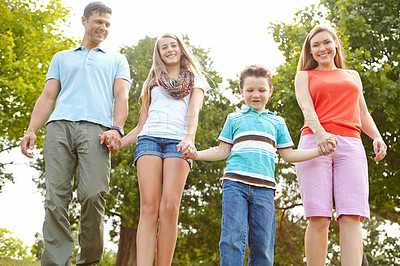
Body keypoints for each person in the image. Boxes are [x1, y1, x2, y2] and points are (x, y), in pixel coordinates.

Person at [185, 65, 336, 266]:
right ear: (241, 92)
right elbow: (222, 151)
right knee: (232, 238)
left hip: (264, 190)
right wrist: (196, 154)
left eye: (261, 90)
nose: (256, 95)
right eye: (250, 90)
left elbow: (289, 155)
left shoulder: (277, 122)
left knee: (263, 244)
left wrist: (319, 151)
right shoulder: (234, 119)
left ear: (270, 91)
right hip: (234, 185)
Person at [20, 2, 130, 265]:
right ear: (84, 21)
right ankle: (57, 261)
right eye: (98, 21)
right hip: (59, 128)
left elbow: (121, 96)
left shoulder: (117, 60)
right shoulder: (62, 57)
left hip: (97, 131)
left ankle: (88, 261)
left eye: (107, 24)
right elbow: (48, 97)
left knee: (93, 194)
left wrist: (116, 128)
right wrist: (31, 130)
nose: (103, 27)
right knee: (56, 198)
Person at [294, 25, 387, 265]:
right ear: (311, 51)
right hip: (315, 143)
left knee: (351, 216)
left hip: (351, 146)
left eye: (326, 42)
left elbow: (362, 113)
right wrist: (321, 134)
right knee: (318, 217)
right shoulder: (304, 75)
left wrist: (376, 136)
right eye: (315, 45)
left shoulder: (352, 75)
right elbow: (307, 108)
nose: (322, 48)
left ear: (335, 44)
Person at [116, 33, 208, 265]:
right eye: (163, 47)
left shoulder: (195, 79)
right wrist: (119, 141)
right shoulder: (152, 81)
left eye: (172, 45)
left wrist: (190, 138)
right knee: (149, 206)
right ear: (158, 53)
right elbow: (140, 125)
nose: (169, 50)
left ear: (181, 48)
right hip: (149, 140)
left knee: (169, 207)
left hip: (179, 142)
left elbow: (193, 112)